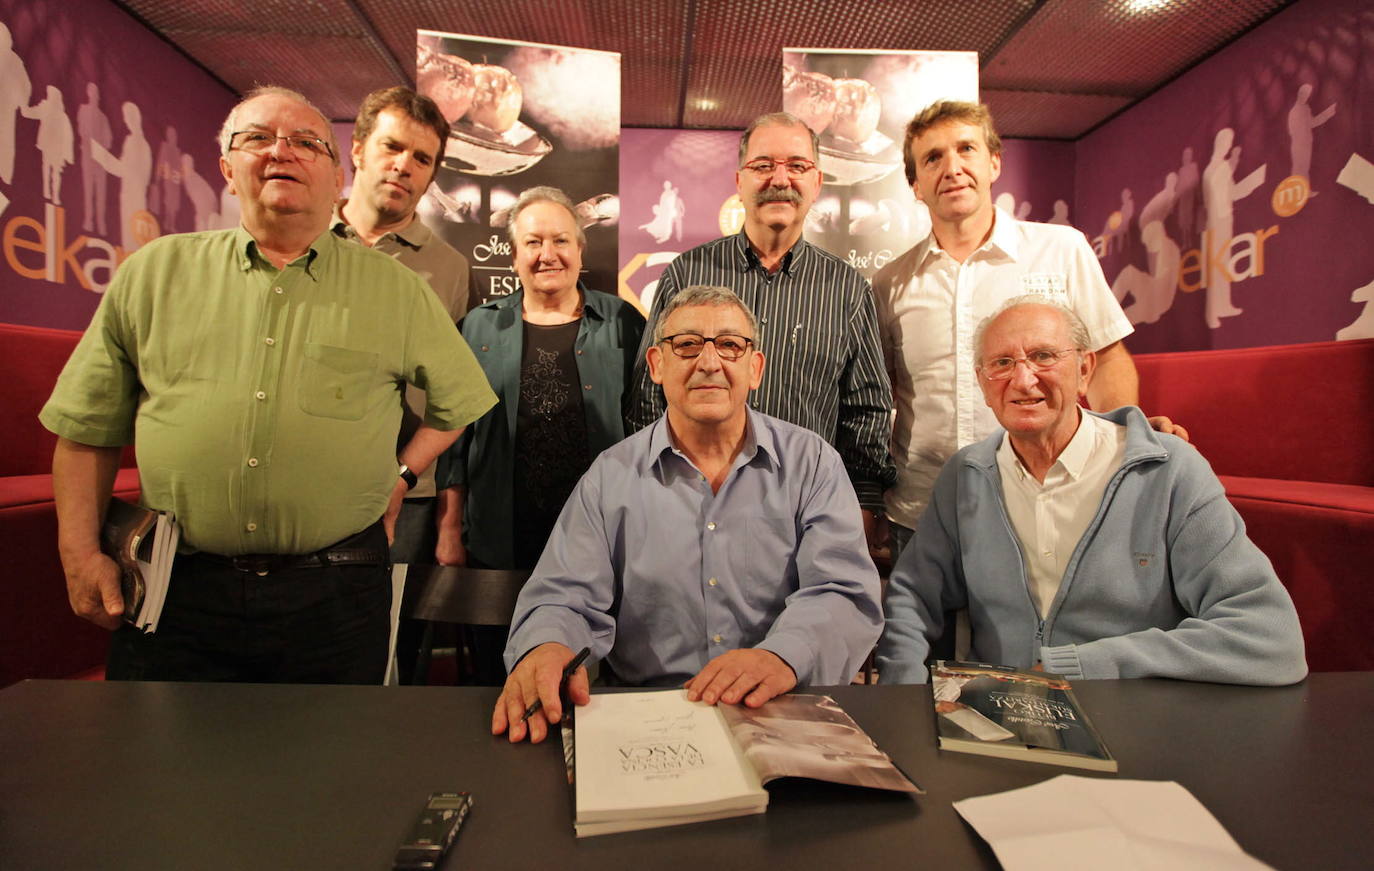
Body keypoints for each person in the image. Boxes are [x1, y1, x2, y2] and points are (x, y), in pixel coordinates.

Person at [40, 86, 496, 684]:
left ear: (333, 175)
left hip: (335, 592)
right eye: (257, 138)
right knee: (161, 743)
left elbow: (459, 401)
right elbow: (86, 428)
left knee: (331, 741)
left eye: (305, 142)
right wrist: (78, 553)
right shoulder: (152, 274)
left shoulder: (402, 288)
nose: (281, 151)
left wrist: (401, 475)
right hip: (176, 589)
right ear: (227, 168)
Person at [495, 285, 882, 743]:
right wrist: (546, 646)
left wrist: (782, 656)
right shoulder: (611, 476)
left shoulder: (812, 464)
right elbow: (563, 596)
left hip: (779, 707)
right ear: (656, 364)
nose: (709, 363)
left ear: (755, 368)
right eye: (687, 345)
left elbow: (843, 592)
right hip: (649, 720)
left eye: (730, 345)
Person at [876, 297, 1307, 686]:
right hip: (998, 720)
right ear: (983, 384)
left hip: (1130, 718)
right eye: (1002, 363)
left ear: (1084, 369)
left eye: (1043, 356)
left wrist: (1082, 666)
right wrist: (902, 693)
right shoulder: (965, 474)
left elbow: (1269, 637)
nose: (1023, 380)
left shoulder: (1168, 470)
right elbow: (914, 597)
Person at [872, 100, 1184, 559]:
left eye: (966, 149)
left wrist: (1126, 439)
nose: (953, 168)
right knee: (917, 613)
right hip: (923, 513)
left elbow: (1104, 359)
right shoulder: (889, 283)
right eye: (933, 158)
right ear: (916, 185)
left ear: (994, 163)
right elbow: (882, 395)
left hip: (1049, 503)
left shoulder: (1062, 249)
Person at [626, 112, 895, 553]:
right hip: (692, 508)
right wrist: (654, 489)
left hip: (806, 513)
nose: (780, 179)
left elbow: (866, 408)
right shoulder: (687, 273)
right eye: (763, 165)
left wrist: (863, 504)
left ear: (817, 182)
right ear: (739, 181)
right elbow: (647, 396)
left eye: (797, 166)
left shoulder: (847, 289)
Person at [436, 185, 645, 683]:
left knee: (589, 680)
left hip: (600, 541)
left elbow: (646, 425)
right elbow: (455, 438)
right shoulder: (478, 328)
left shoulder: (623, 323)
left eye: (560, 241)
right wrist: (448, 530)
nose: (547, 254)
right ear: (513, 256)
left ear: (581, 251)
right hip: (499, 541)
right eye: (532, 242)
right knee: (498, 678)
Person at [333, 86, 480, 569]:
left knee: (391, 616)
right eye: (392, 147)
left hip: (406, 492)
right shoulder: (304, 241)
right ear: (358, 149)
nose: (403, 165)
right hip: (304, 480)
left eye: (421, 158)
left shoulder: (451, 268)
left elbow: (457, 396)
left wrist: (429, 499)